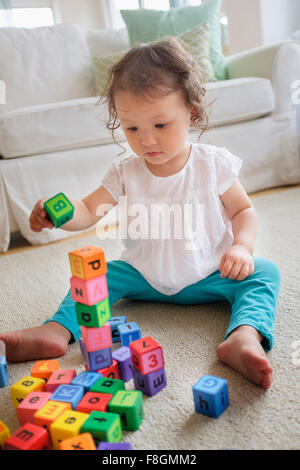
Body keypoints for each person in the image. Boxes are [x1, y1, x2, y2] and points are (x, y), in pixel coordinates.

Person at [0, 37, 281, 389]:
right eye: (132, 128)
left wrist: (241, 246)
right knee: (98, 276)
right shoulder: (124, 171)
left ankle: (243, 336)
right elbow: (88, 210)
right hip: (144, 275)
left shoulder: (212, 164)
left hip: (211, 269)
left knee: (264, 273)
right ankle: (56, 331)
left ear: (191, 112)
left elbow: (243, 210)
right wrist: (61, 213)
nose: (146, 141)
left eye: (160, 125)